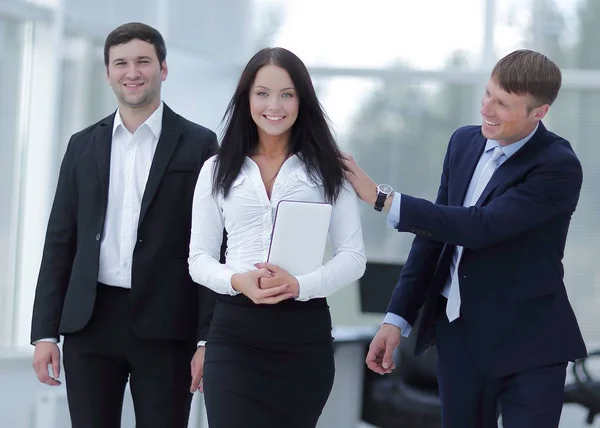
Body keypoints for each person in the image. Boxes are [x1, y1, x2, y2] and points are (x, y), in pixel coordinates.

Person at [343, 49, 587, 428]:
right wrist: (396, 319)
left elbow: (481, 226)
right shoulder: (463, 143)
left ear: (538, 112)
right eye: (487, 93)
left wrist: (383, 199)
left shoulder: (558, 165)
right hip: (459, 338)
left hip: (529, 346)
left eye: (502, 104)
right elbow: (432, 238)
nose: (486, 109)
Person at [30, 22, 221, 428]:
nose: (131, 72)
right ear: (108, 72)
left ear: (163, 69)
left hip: (168, 325)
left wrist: (208, 337)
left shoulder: (201, 145)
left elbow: (214, 246)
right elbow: (60, 241)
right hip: (91, 322)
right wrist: (44, 332)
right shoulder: (82, 145)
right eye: (121, 63)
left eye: (142, 62)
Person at [188, 47, 366, 428]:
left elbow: (353, 257)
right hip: (235, 334)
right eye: (263, 93)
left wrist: (300, 284)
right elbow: (198, 259)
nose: (275, 105)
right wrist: (237, 280)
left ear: (302, 99)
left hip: (304, 338)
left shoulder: (330, 170)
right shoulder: (216, 170)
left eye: (287, 94)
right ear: (246, 98)